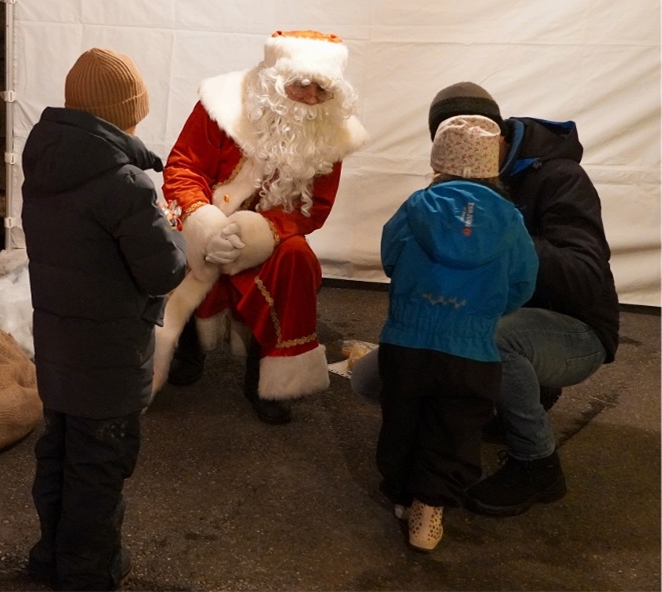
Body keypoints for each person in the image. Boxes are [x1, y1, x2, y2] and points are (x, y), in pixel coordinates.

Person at [353, 82, 620, 517]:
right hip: (489, 313)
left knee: (489, 339)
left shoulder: (559, 177)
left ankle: (537, 462)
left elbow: (586, 279)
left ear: (498, 133)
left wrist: (500, 237)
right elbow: (398, 259)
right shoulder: (443, 195)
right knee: (374, 377)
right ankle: (497, 406)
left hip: (577, 329)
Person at [21, 48, 188, 591]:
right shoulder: (125, 184)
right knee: (99, 466)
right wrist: (172, 230)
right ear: (127, 113)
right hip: (110, 357)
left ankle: (49, 555)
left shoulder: (44, 163)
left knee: (58, 453)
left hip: (58, 347)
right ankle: (89, 570)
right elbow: (163, 270)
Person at [157, 30, 367, 424]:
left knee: (297, 259)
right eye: (301, 85)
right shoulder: (220, 105)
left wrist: (257, 234)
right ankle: (189, 345)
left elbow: (313, 209)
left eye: (321, 90)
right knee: (170, 239)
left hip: (271, 232)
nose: (310, 98)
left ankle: (268, 372)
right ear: (274, 80)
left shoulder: (332, 130)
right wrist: (203, 220)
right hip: (207, 213)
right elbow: (184, 166)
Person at [375, 115, 538, 551]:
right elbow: (523, 282)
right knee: (455, 428)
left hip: (407, 341)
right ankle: (429, 509)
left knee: (402, 419)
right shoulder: (510, 220)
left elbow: (390, 256)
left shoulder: (416, 207)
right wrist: (485, 312)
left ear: (438, 161)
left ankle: (401, 493)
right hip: (472, 351)